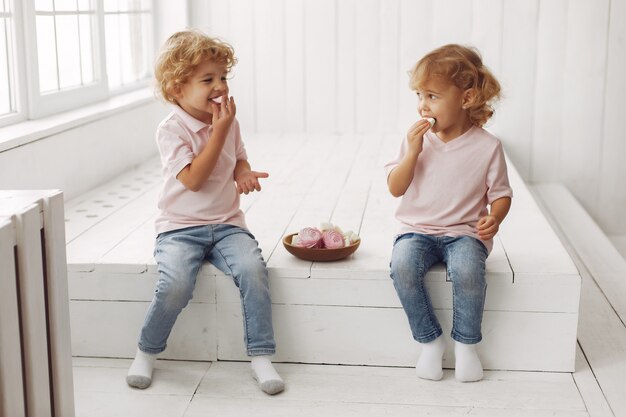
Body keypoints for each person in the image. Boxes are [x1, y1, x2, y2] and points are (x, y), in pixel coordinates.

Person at [126, 30, 284, 395]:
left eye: (223, 77)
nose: (220, 86)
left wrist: (242, 171)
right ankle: (146, 351)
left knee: (253, 271)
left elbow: (237, 157)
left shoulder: (227, 121)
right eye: (207, 79)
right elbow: (194, 179)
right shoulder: (172, 129)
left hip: (227, 224)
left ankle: (261, 355)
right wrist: (219, 131)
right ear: (177, 88)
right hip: (179, 228)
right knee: (176, 283)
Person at [384, 44, 513, 382]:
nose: (422, 105)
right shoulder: (416, 140)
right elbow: (396, 187)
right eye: (419, 95)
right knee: (402, 266)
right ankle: (430, 342)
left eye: (432, 96)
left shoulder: (488, 147)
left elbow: (501, 195)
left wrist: (495, 218)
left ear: (466, 99)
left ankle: (467, 345)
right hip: (417, 230)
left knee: (469, 271)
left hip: (464, 233)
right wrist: (412, 153)